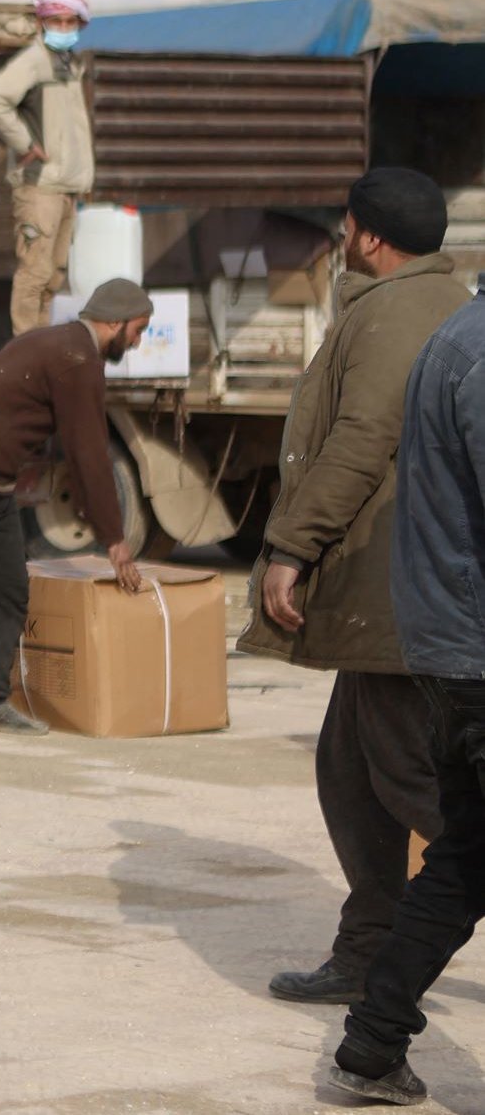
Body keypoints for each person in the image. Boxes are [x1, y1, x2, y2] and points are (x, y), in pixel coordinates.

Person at [245, 169, 466, 1008]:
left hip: (396, 588)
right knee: (351, 772)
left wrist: (290, 546)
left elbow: (362, 439)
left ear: (369, 236)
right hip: (406, 587)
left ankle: (375, 953)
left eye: (346, 227)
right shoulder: (442, 302)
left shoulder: (391, 313)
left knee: (415, 781)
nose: (342, 238)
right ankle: (368, 949)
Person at [327, 264, 485, 1105]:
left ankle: (372, 1044)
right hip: (476, 651)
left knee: (465, 860)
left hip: (453, 648)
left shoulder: (459, 339)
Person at [0, 278, 154, 734]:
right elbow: (88, 453)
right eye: (138, 330)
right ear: (115, 322)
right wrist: (115, 540)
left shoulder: (64, 345)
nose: (137, 341)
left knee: (7, 589)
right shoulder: (77, 358)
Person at [0, 0, 95, 335]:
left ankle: (40, 343)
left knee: (53, 274)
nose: (63, 27)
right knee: (35, 272)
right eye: (56, 21)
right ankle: (25, 347)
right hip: (41, 184)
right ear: (42, 23)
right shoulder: (35, 60)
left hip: (66, 187)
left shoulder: (69, 64)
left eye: (70, 21)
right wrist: (24, 143)